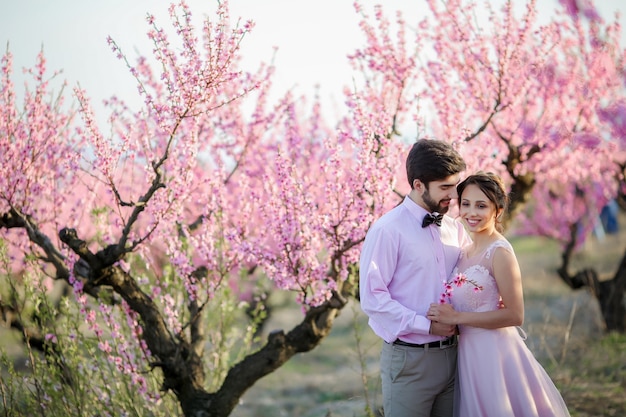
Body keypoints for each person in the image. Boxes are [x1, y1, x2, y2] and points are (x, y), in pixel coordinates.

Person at [427, 172, 571, 417]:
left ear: (498, 209)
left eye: (481, 205)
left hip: (496, 354)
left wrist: (456, 318)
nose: (471, 212)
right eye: (466, 204)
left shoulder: (500, 252)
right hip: (469, 355)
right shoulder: (465, 251)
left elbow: (515, 315)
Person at [359, 138, 471, 417]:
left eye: (455, 186)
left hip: (457, 357)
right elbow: (373, 299)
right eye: (445, 188)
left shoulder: (455, 229)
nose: (453, 195)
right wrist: (426, 325)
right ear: (418, 185)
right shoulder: (387, 230)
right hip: (410, 362)